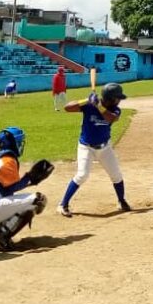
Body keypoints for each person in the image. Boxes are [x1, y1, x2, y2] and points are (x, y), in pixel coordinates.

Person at [0, 127, 53, 252]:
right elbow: (11, 188)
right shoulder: (8, 161)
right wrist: (30, 178)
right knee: (37, 200)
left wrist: (30, 180)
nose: (21, 145)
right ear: (12, 142)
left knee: (19, 202)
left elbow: (6, 191)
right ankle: (1, 235)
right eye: (19, 141)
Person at [57, 83, 130, 217]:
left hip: (105, 147)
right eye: (117, 98)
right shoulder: (89, 105)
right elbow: (67, 108)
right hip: (86, 147)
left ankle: (121, 200)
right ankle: (63, 204)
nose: (119, 100)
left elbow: (111, 119)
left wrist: (98, 106)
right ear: (110, 98)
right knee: (82, 175)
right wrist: (85, 100)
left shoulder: (115, 109)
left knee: (116, 175)